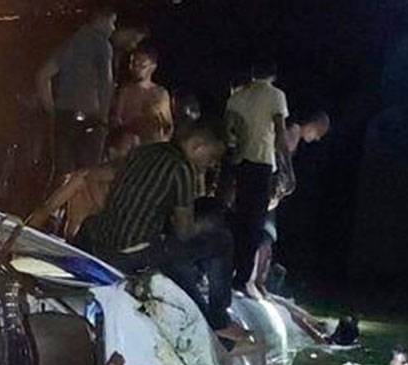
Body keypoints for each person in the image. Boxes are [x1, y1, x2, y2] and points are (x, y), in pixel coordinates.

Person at [78, 120, 251, 343]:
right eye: (212, 158)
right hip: (133, 255)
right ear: (198, 147)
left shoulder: (144, 151)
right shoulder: (182, 168)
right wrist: (206, 225)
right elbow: (184, 233)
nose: (211, 165)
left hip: (102, 246)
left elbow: (97, 177)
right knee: (221, 240)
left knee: (171, 250)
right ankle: (220, 321)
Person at [224, 60, 291, 297]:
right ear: (273, 75)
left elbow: (228, 130)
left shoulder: (237, 96)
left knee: (236, 219)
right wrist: (288, 168)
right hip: (261, 164)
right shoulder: (276, 96)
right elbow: (280, 133)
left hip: (237, 162)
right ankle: (241, 278)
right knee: (254, 223)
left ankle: (227, 269)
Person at [249, 111, 332, 295]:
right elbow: (279, 161)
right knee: (266, 235)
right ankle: (255, 279)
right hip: (268, 193)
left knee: (266, 235)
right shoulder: (292, 133)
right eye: (318, 132)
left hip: (271, 194)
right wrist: (285, 182)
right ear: (312, 125)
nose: (317, 138)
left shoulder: (293, 135)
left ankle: (258, 279)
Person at [36, 6, 117, 176]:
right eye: (112, 22)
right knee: (87, 174)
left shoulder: (70, 43)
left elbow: (43, 75)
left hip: (64, 117)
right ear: (101, 20)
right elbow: (106, 83)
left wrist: (52, 110)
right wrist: (104, 117)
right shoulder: (102, 44)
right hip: (90, 118)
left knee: (64, 174)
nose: (113, 28)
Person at [26, 128, 139, 241]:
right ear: (112, 152)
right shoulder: (82, 180)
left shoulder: (134, 191)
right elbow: (44, 211)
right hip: (78, 244)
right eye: (130, 149)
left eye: (138, 151)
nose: (135, 157)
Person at [110, 44, 173, 143]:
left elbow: (168, 125)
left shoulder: (161, 93)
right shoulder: (125, 91)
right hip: (130, 144)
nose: (136, 68)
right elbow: (116, 121)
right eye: (133, 63)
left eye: (142, 65)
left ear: (152, 67)